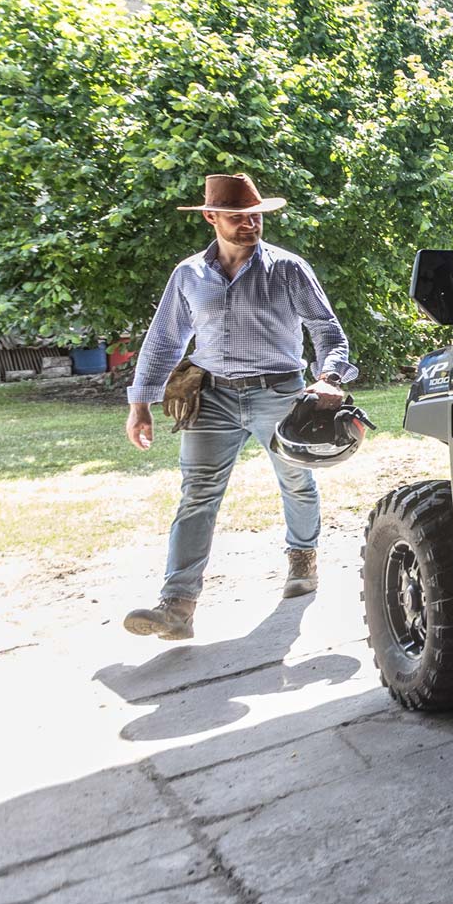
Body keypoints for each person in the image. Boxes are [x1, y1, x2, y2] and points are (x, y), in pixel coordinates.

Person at [121, 173, 356, 640]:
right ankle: (178, 605)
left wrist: (328, 378)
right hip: (212, 397)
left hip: (281, 392)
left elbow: (327, 330)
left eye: (255, 216)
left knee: (296, 481)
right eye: (238, 217)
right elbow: (165, 340)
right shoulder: (188, 275)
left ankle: (302, 558)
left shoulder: (287, 268)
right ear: (211, 217)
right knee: (197, 494)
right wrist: (140, 402)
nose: (250, 224)